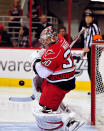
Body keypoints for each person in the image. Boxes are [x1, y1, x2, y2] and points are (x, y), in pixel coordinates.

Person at [31, 26, 84, 130]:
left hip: (59, 82)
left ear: (52, 38)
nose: (44, 42)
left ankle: (70, 122)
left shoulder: (53, 53)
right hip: (67, 78)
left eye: (46, 39)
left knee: (46, 107)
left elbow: (43, 73)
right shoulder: (60, 38)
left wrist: (35, 61)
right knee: (43, 88)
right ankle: (64, 110)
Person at [82, 12, 100, 80]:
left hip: (94, 51)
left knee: (93, 71)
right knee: (90, 70)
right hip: (90, 51)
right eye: (86, 17)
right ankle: (94, 89)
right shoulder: (87, 29)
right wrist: (85, 50)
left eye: (89, 17)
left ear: (92, 19)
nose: (88, 19)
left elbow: (98, 40)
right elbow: (86, 40)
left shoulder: (94, 26)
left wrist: (89, 48)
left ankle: (97, 89)